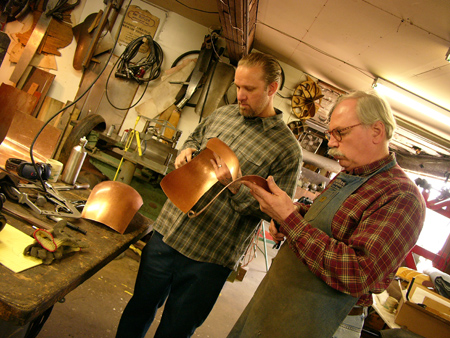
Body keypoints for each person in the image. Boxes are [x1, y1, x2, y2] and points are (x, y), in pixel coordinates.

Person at [116, 52, 302, 338]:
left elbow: (276, 213)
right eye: (238, 86)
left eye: (249, 89)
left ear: (272, 89)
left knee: (175, 330)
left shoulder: (287, 150)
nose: (240, 95)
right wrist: (187, 150)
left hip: (209, 256)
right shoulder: (224, 114)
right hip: (168, 233)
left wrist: (235, 186)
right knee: (138, 309)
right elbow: (194, 138)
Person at [227, 90, 426, 338]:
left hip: (321, 321)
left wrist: (291, 221)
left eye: (340, 133)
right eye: (330, 134)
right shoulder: (348, 175)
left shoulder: (401, 196)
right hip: (280, 299)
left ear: (376, 131)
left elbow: (359, 273)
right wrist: (293, 214)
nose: (331, 143)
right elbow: (331, 225)